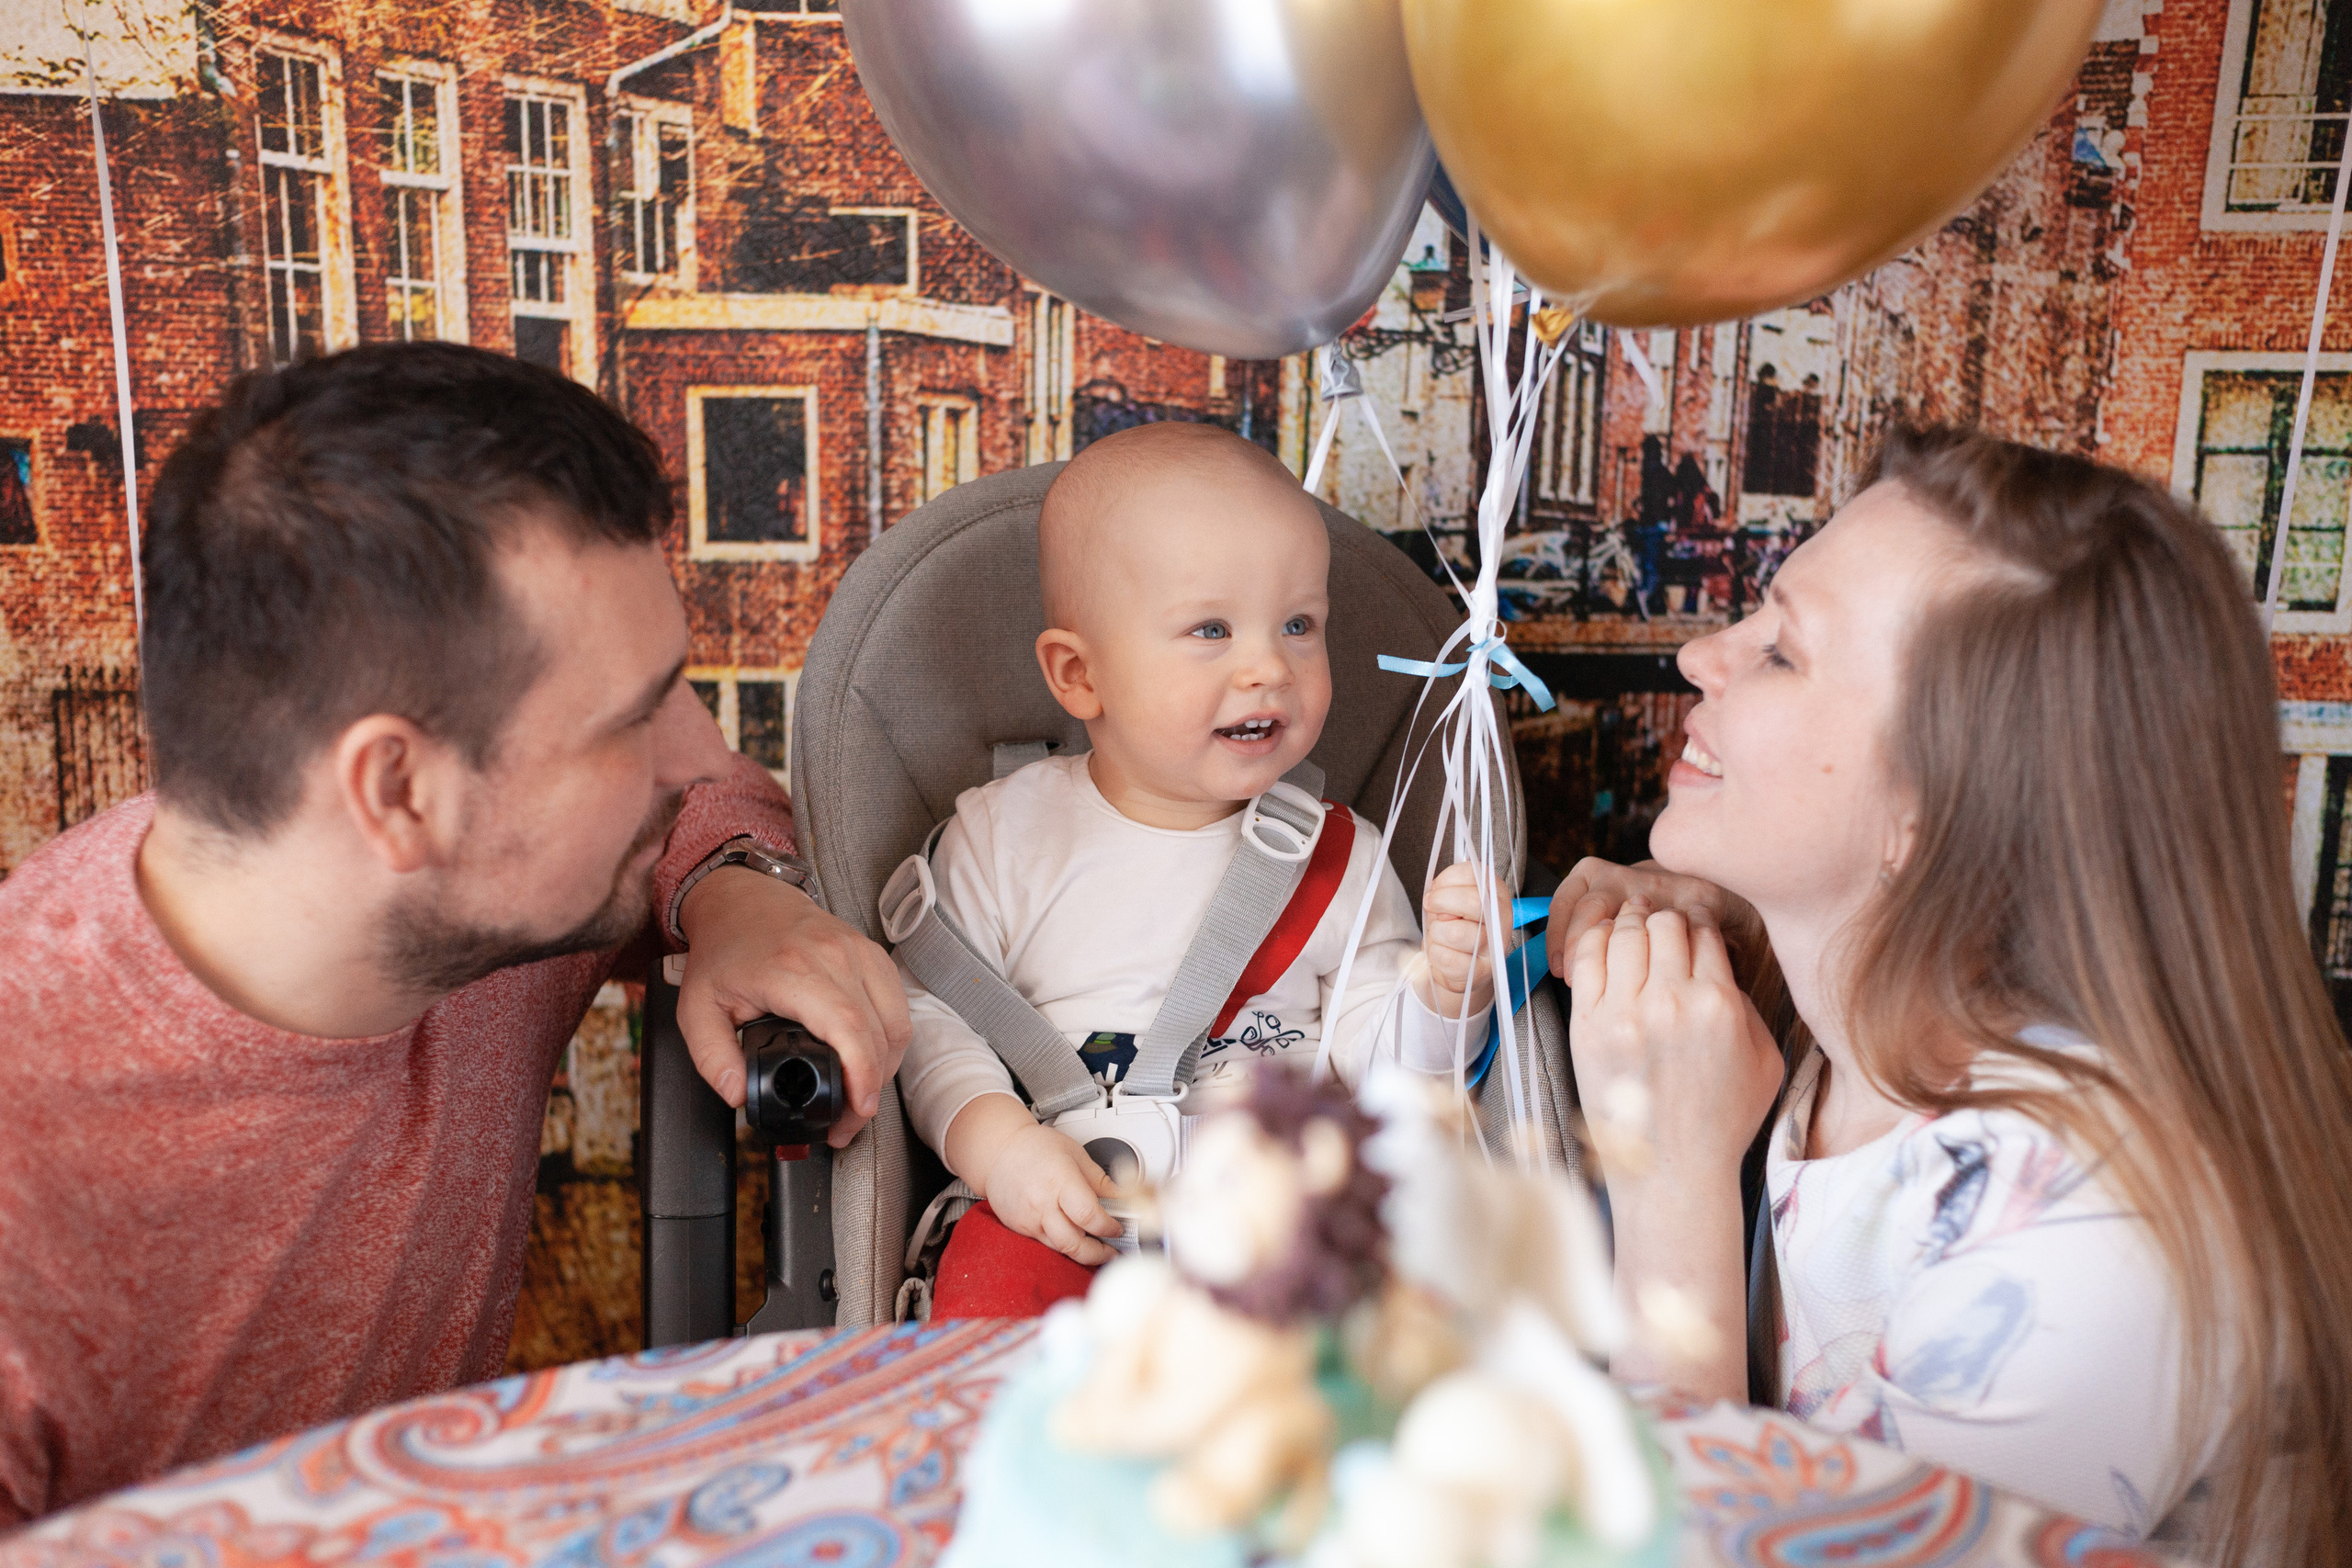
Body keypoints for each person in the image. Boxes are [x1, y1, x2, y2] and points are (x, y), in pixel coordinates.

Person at [0, 344, 911, 1524]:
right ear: (399, 793)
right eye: (634, 718)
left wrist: (734, 889)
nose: (691, 758)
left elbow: (721, 798)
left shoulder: (459, 895)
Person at [1545, 426, 2352, 1563]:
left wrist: (1668, 1177)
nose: (1702, 656)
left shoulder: (2079, 1251)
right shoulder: (1856, 1016)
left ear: (1933, 815)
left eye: (1782, 652)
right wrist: (1737, 930)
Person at [896, 423, 1497, 1297]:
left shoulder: (1340, 860)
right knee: (991, 1275)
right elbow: (928, 1020)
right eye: (1211, 629)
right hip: (1062, 1207)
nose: (1268, 667)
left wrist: (1447, 994)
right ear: (1079, 676)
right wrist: (1001, 1147)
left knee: (1376, 1285)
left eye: (1299, 625)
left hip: (1273, 1225)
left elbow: (1382, 1076)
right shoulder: (1001, 838)